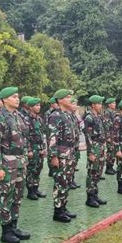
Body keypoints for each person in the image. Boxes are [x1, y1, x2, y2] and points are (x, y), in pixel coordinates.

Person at [0, 87, 30, 243]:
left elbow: (23, 140)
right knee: (6, 196)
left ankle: (14, 226)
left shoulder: (18, 116)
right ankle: (5, 231)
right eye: (14, 97)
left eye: (18, 96)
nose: (17, 99)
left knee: (18, 196)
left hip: (20, 162)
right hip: (7, 163)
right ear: (5, 99)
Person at [48, 89, 77, 222]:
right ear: (60, 100)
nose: (70, 99)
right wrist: (53, 156)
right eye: (67, 97)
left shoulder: (68, 115)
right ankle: (58, 211)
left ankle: (63, 207)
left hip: (69, 154)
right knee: (60, 182)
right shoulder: (55, 116)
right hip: (61, 155)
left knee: (66, 182)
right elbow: (52, 137)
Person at [84, 95, 107, 208]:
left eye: (101, 103)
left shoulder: (98, 116)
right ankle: (90, 197)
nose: (100, 105)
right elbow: (88, 137)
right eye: (98, 103)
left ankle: (95, 194)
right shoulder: (89, 117)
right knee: (92, 173)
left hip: (101, 147)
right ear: (93, 105)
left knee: (98, 172)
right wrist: (91, 153)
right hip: (94, 147)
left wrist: (104, 147)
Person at [25, 98, 47, 200]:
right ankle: (30, 191)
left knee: (38, 168)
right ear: (30, 107)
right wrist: (28, 150)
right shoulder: (26, 119)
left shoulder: (39, 119)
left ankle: (36, 188)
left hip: (39, 148)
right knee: (31, 169)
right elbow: (25, 136)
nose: (38, 107)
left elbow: (42, 135)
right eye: (36, 106)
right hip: (32, 148)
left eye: (39, 105)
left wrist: (44, 148)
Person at [104, 98, 118, 175]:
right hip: (110, 135)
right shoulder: (107, 112)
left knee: (113, 151)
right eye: (113, 103)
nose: (114, 104)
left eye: (115, 103)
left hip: (113, 135)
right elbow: (106, 125)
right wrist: (108, 137)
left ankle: (111, 167)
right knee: (110, 151)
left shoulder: (113, 112)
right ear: (109, 104)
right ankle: (108, 168)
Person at [45, 97, 59, 178]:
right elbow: (48, 126)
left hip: (53, 135)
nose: (56, 105)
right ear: (51, 104)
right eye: (54, 104)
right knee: (51, 152)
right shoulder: (49, 113)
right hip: (50, 135)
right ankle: (51, 169)